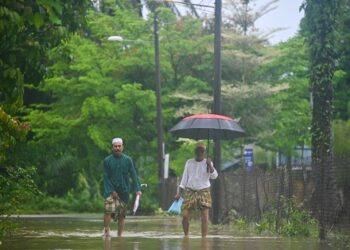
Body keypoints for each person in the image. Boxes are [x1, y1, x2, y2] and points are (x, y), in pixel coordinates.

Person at [175, 143, 218, 238]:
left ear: (204, 152)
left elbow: (214, 176)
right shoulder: (189, 162)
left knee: (204, 216)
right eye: (198, 150)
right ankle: (186, 236)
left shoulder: (208, 163)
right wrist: (179, 192)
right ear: (195, 152)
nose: (200, 152)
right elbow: (184, 179)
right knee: (185, 215)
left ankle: (204, 239)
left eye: (202, 151)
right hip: (190, 191)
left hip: (204, 191)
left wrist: (210, 166)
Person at [103, 138, 141, 238]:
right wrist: (111, 191)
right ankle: (107, 231)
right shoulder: (107, 161)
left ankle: (120, 235)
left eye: (119, 146)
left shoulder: (128, 160)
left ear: (122, 147)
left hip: (124, 191)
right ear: (112, 148)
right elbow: (106, 178)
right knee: (108, 210)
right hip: (110, 191)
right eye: (115, 146)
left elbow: (133, 175)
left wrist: (137, 189)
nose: (117, 148)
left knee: (121, 215)